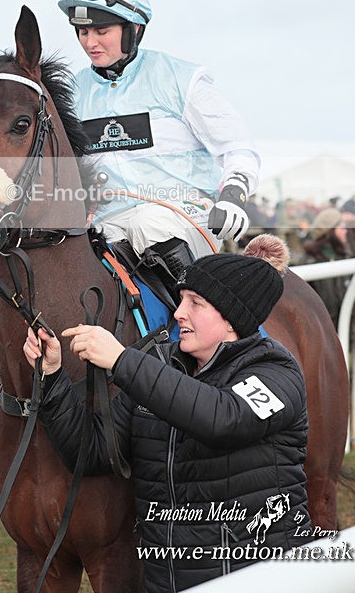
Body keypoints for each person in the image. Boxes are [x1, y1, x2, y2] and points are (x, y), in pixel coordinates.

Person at [23, 234, 312, 591]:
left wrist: (123, 360)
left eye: (195, 303)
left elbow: (222, 418)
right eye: (181, 299)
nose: (178, 313)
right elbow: (93, 452)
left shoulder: (276, 372)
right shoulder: (160, 365)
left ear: (232, 318)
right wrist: (52, 378)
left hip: (261, 579)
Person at [58, 0, 260, 280]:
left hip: (184, 216)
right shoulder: (72, 92)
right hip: (111, 223)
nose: (90, 43)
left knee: (148, 224)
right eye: (83, 32)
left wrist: (234, 195)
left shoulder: (182, 79)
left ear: (134, 29)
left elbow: (237, 147)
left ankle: (196, 304)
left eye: (101, 31)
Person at [300, 207, 350, 329]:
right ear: (331, 232)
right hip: (321, 330)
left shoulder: (346, 258)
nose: (346, 231)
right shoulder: (308, 263)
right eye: (342, 227)